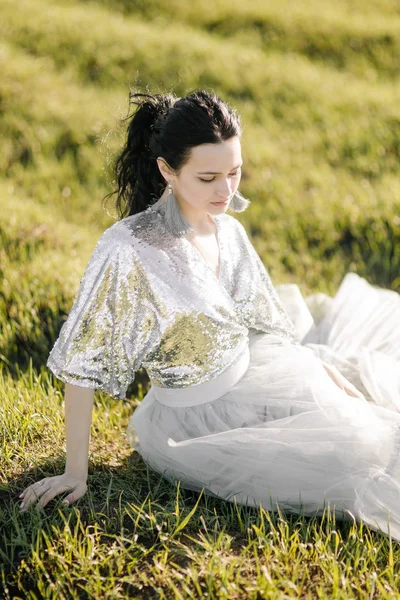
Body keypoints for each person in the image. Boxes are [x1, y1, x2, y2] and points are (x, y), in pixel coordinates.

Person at [19, 90, 400, 542]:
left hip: (260, 370)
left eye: (234, 172)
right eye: (208, 177)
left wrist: (316, 368)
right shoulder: (129, 249)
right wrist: (74, 472)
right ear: (167, 170)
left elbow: (263, 321)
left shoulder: (228, 228)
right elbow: (81, 366)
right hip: (193, 422)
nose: (226, 191)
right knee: (356, 454)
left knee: (369, 411)